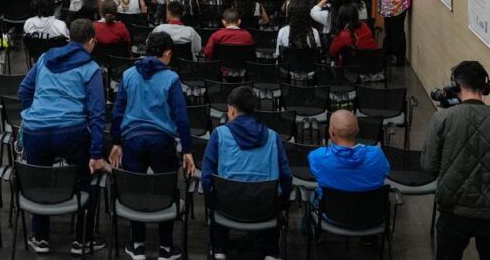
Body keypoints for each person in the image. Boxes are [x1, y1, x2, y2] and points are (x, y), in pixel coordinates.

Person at [18, 19, 107, 255]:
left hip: (35, 131)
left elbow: (24, 90)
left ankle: (40, 237)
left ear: (69, 38)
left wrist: (33, 112)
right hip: (72, 132)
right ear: (91, 42)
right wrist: (97, 153)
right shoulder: (91, 68)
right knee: (88, 178)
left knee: (39, 178)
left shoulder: (46, 58)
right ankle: (83, 239)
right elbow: (98, 113)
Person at [110, 32, 194, 260]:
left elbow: (117, 112)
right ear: (167, 54)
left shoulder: (128, 75)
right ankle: (166, 247)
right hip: (162, 141)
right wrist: (187, 149)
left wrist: (116, 142)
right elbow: (181, 117)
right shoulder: (171, 79)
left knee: (135, 188)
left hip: (132, 140)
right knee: (165, 188)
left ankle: (137, 244)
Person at [201, 86, 292, 260]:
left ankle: (219, 247)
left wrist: (210, 200)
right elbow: (286, 177)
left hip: (227, 207)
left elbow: (206, 178)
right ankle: (271, 252)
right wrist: (284, 202)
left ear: (232, 110)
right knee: (272, 198)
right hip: (264, 209)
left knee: (219, 192)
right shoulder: (273, 137)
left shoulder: (219, 135)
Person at [422, 60, 490, 259]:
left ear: (456, 86)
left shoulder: (442, 118)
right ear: (484, 87)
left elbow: (429, 166)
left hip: (453, 209)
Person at [308, 110, 389, 198]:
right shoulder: (377, 155)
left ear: (331, 132)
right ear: (357, 131)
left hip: (332, 210)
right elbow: (385, 173)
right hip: (370, 210)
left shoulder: (317, 157)